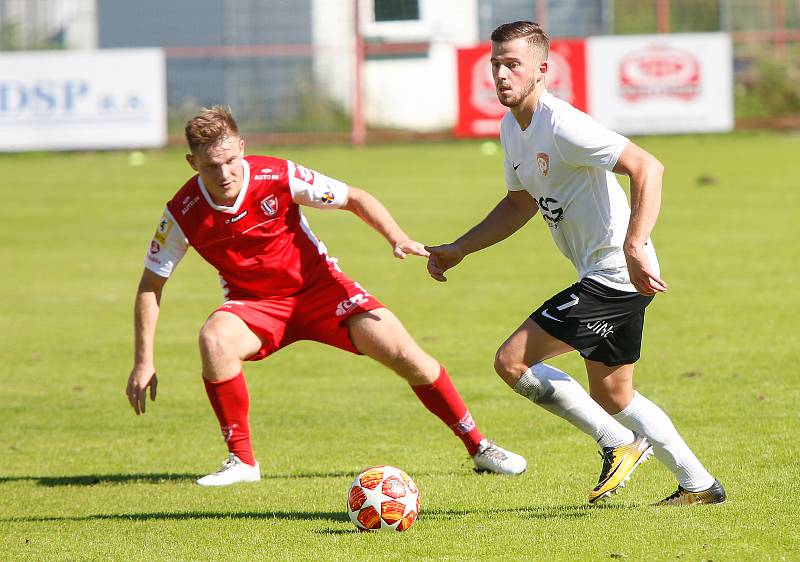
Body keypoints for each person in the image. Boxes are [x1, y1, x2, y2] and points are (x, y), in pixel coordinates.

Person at [125, 105, 526, 486]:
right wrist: (144, 361)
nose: (226, 172)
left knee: (407, 355)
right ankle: (242, 461)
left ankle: (480, 447)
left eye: (231, 160)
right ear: (193, 163)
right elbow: (150, 285)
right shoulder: (183, 211)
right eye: (212, 166)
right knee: (214, 338)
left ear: (242, 147)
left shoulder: (276, 174)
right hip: (256, 307)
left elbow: (353, 197)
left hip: (321, 290)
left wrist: (396, 237)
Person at [426, 21, 725, 506]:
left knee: (512, 360)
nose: (501, 75)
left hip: (614, 275)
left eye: (513, 65)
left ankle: (618, 443)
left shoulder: (562, 124)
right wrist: (461, 247)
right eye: (495, 64)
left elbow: (648, 167)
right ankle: (700, 486)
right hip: (603, 275)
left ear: (542, 70)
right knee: (614, 395)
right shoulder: (511, 128)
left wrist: (634, 246)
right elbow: (519, 204)